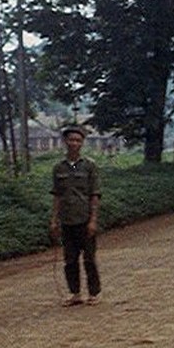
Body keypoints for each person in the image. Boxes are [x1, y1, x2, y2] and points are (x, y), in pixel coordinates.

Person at [49, 125, 101, 307]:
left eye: (78, 140)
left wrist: (93, 220)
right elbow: (56, 196)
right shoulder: (58, 168)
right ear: (65, 142)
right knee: (70, 260)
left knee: (89, 259)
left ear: (82, 143)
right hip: (67, 220)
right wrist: (54, 220)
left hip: (85, 219)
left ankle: (93, 293)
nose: (74, 143)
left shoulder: (89, 166)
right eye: (71, 140)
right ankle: (75, 293)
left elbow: (94, 195)